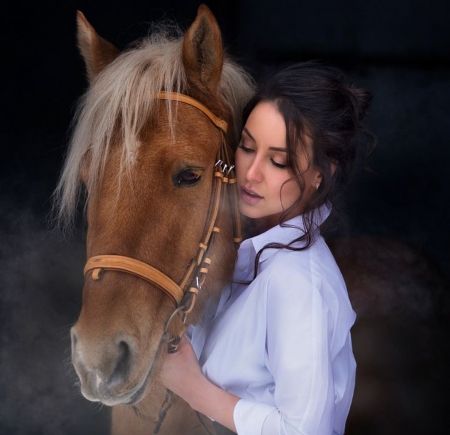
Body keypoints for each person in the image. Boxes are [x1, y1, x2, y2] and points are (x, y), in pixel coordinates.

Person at [161, 61, 375, 435]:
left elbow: (304, 431)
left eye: (279, 161)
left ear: (322, 174)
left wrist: (193, 389)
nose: (252, 172)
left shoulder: (296, 283)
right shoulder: (244, 250)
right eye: (246, 147)